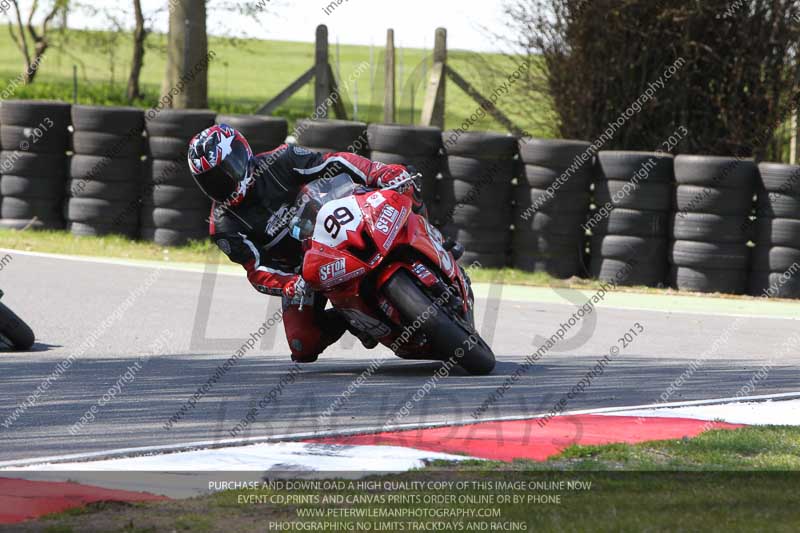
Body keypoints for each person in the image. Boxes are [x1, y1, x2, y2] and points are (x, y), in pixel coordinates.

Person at [187, 123, 426, 363]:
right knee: (303, 344)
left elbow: (334, 162)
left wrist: (377, 172)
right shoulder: (222, 226)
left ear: (243, 153)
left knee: (403, 182)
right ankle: (352, 315)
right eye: (212, 180)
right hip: (304, 273)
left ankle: (429, 236)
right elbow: (257, 269)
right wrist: (289, 283)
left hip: (337, 222)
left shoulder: (281, 159)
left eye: (227, 169)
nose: (223, 181)